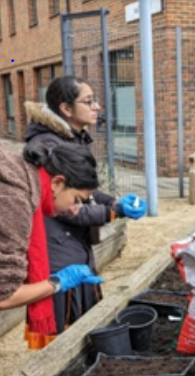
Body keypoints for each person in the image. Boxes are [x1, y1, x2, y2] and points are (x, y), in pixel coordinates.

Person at [23, 75, 147, 340]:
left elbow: (82, 191)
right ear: (66, 109)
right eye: (88, 101)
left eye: (96, 100)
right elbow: (68, 207)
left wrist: (113, 202)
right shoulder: (48, 147)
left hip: (73, 248)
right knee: (63, 333)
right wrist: (116, 212)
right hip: (57, 252)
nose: (97, 107)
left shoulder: (70, 138)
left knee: (84, 326)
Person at [0, 142, 104, 348]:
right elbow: (4, 295)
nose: (76, 210)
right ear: (56, 183)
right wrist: (57, 282)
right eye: (76, 199)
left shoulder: (18, 171)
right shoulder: (14, 200)